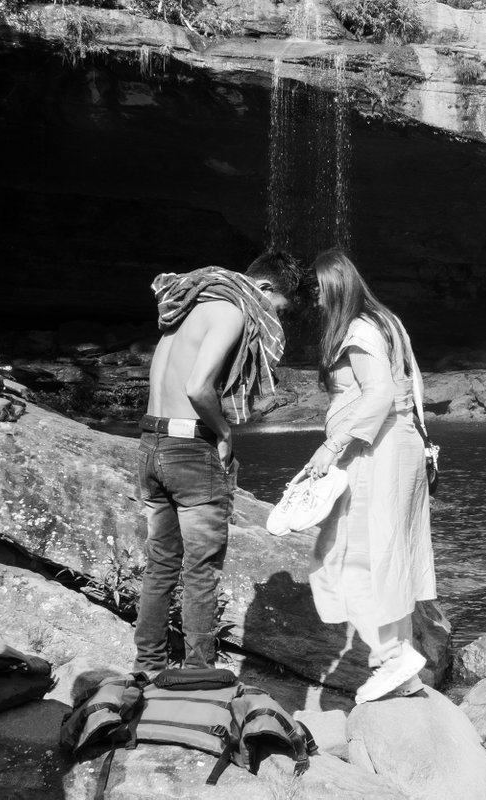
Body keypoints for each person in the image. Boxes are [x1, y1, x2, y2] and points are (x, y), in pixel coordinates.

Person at [135, 252, 303, 673]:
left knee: (160, 567)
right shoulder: (230, 312)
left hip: (151, 441)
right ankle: (198, 673)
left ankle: (148, 667)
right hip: (190, 450)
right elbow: (198, 388)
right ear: (264, 289)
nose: (272, 319)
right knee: (201, 572)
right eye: (277, 309)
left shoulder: (187, 307)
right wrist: (225, 433)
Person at [303, 248, 436, 704]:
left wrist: (331, 447)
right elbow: (411, 388)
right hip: (402, 448)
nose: (316, 302)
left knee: (345, 555)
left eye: (320, 292)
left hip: (375, 450)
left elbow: (378, 394)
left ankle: (389, 657)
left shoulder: (358, 330)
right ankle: (400, 660)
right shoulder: (388, 322)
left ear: (336, 288)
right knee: (389, 552)